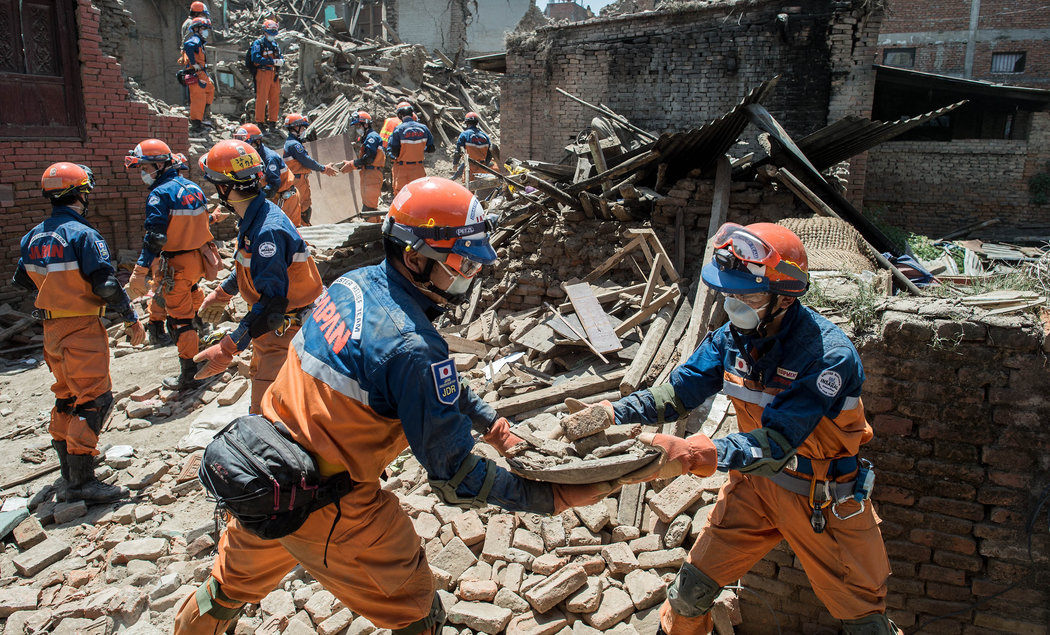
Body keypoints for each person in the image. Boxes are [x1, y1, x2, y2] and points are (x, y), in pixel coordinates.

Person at [173, 177, 613, 635]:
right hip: (334, 508)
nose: (472, 273)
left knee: (222, 592)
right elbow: (456, 479)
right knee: (416, 612)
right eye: (463, 262)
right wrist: (551, 495)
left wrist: (491, 424)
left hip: (263, 472)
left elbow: (422, 384)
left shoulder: (352, 284)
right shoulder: (413, 347)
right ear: (415, 256)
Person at [595, 222, 900, 635]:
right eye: (729, 293)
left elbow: (777, 441)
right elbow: (678, 393)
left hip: (823, 498)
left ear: (785, 296)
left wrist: (696, 454)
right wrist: (614, 413)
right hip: (755, 490)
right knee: (688, 595)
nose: (734, 303)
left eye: (749, 294)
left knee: (866, 625)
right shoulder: (731, 339)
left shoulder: (827, 356)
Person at [12, 163, 145, 504]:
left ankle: (67, 470)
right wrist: (130, 318)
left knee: (66, 396)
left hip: (51, 328)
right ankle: (82, 481)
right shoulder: (83, 234)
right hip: (82, 326)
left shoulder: (33, 236)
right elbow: (106, 285)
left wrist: (54, 288)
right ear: (81, 194)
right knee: (94, 399)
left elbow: (21, 281)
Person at [194, 139, 325, 412]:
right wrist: (223, 293)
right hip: (271, 332)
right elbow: (251, 266)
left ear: (224, 187)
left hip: (285, 332)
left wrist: (229, 347)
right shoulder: (257, 216)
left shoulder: (267, 231)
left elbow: (273, 306)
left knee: (271, 417)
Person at [124, 140, 215, 391]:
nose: (143, 173)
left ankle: (189, 375)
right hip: (198, 259)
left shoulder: (159, 194)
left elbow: (155, 237)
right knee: (192, 295)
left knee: (179, 320)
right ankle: (200, 335)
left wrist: (141, 269)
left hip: (178, 262)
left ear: (159, 164)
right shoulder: (193, 187)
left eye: (144, 167)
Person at [282, 113, 338, 226]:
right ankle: (302, 233)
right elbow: (306, 160)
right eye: (302, 127)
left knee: (304, 209)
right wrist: (324, 169)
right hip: (298, 181)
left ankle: (305, 230)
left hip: (301, 180)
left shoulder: (294, 143)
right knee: (301, 210)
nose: (303, 130)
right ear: (295, 127)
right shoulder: (294, 145)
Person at [386, 104, 434, 197]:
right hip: (418, 167)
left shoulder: (399, 129)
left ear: (400, 115)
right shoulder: (424, 128)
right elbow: (431, 148)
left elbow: (394, 151)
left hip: (402, 168)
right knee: (419, 194)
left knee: (401, 195)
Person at [346, 110, 385, 222]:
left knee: (369, 208)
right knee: (370, 205)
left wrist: (353, 163)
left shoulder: (371, 137)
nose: (357, 128)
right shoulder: (368, 137)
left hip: (371, 175)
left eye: (359, 125)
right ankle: (376, 233)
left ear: (366, 124)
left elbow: (369, 158)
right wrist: (352, 164)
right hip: (368, 173)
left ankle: (371, 235)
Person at [249, 20, 284, 134]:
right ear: (265, 31)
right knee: (262, 99)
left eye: (274, 32)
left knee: (275, 99)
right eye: (270, 32)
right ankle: (260, 123)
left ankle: (273, 123)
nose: (272, 35)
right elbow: (255, 58)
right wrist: (271, 61)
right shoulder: (258, 43)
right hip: (263, 73)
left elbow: (281, 57)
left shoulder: (275, 45)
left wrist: (281, 61)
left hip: (274, 74)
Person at [233, 123, 284, 200]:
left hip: (282, 198)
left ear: (257, 142)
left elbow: (273, 186)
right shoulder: (250, 156)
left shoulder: (270, 158)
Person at [182, 17, 215, 135]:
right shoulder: (195, 39)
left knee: (210, 89)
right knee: (198, 98)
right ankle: (196, 124)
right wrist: (194, 63)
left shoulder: (200, 42)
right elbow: (188, 45)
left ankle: (203, 117)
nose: (206, 31)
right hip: (196, 74)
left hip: (202, 73)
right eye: (204, 28)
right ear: (196, 29)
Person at [450, 112, 496, 184]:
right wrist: (485, 164)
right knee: (480, 189)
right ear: (477, 123)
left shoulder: (464, 135)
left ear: (467, 123)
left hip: (470, 168)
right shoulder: (485, 136)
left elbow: (458, 152)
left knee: (468, 190)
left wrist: (455, 163)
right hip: (482, 167)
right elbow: (490, 153)